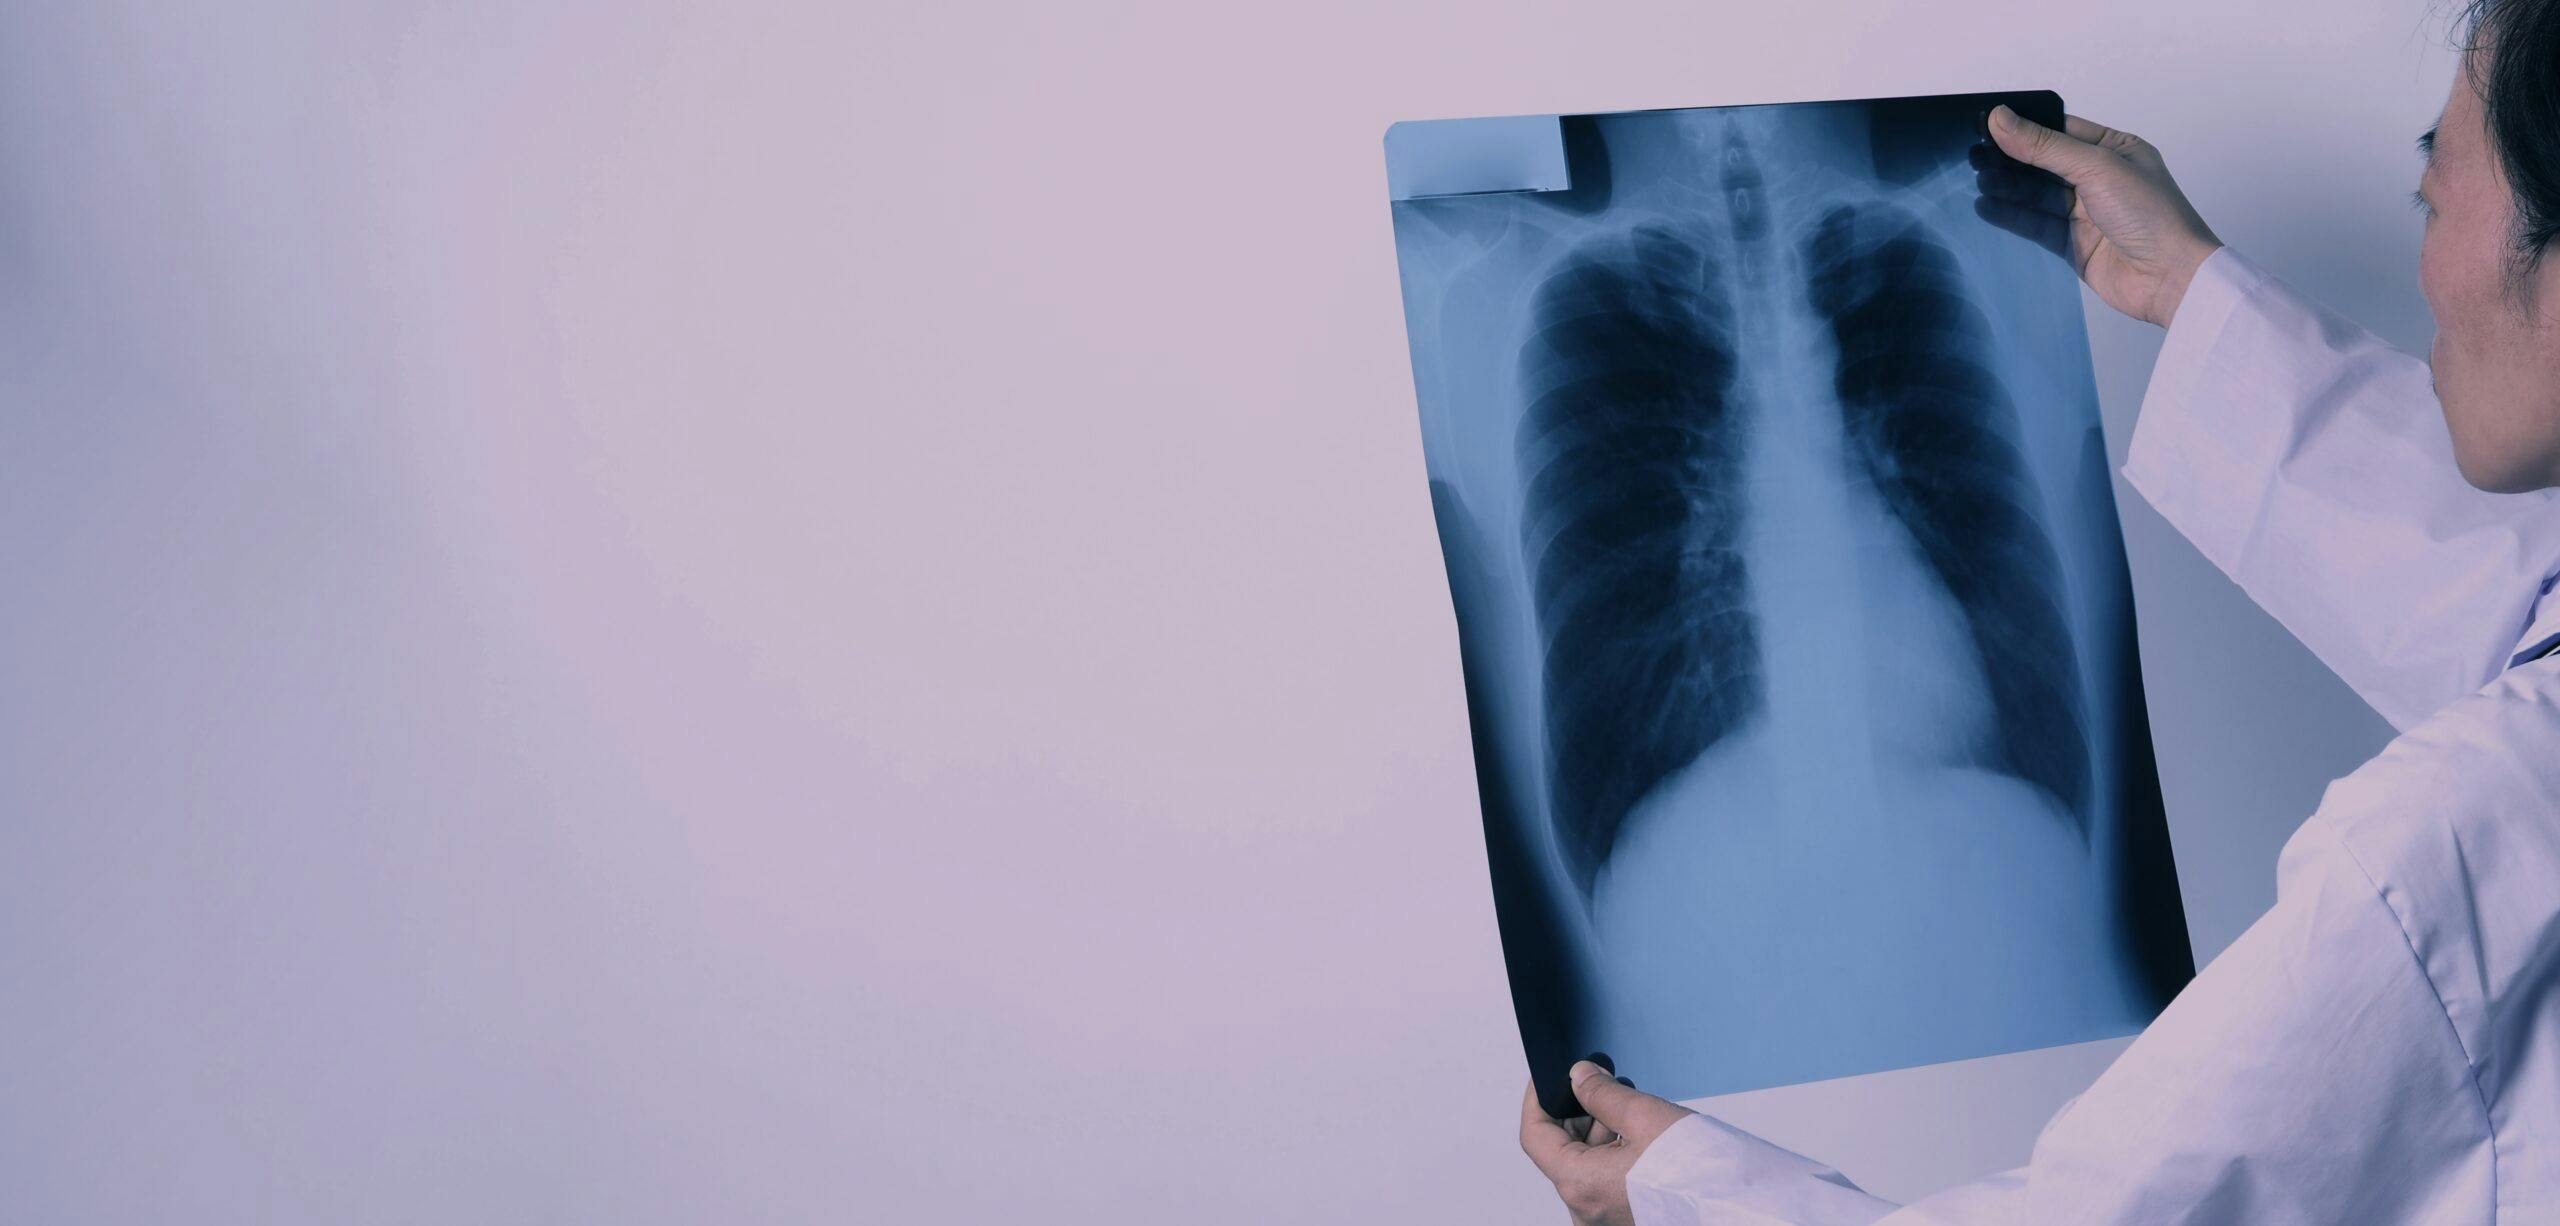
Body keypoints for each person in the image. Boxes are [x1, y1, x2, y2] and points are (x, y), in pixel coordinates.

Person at [1519, 3, 2560, 1222]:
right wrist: (2189, 291)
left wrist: (1688, 1194)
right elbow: (2519, 598)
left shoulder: (2456, 847)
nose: (2422, 222)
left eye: (2436, 179)